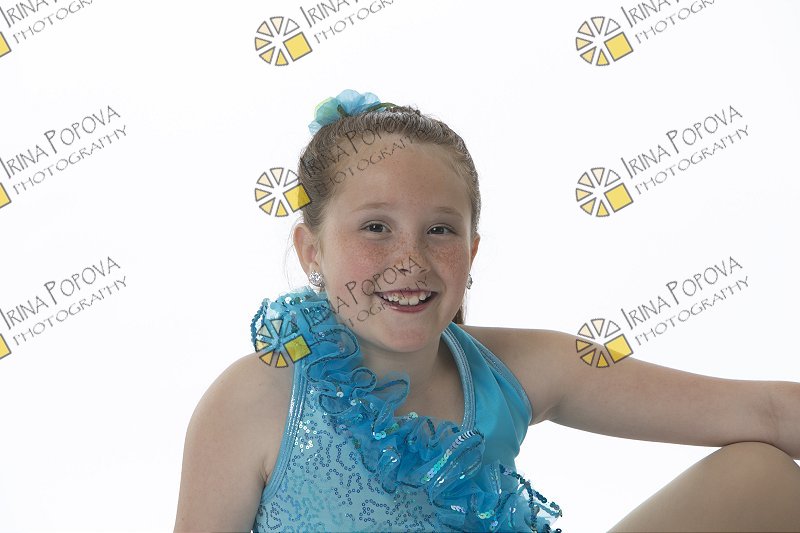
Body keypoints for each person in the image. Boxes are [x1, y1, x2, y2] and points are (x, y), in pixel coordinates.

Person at [174, 90, 800, 532]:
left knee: (758, 474)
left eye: (440, 231)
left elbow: (769, 411)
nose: (410, 260)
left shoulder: (517, 367)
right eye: (375, 228)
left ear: (472, 251)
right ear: (312, 250)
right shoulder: (256, 397)